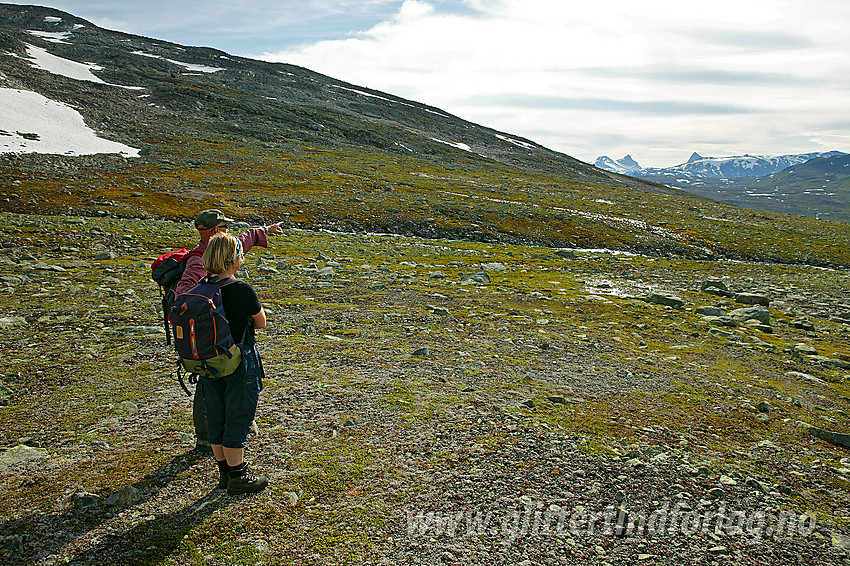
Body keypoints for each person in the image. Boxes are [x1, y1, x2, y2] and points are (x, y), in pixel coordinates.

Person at [175, 209, 283, 451]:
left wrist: (265, 230)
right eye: (224, 226)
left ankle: (213, 441)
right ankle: (211, 440)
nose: (228, 231)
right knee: (218, 389)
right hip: (214, 341)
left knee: (213, 387)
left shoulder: (211, 254)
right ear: (215, 230)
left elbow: (242, 240)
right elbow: (182, 297)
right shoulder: (197, 262)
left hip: (215, 338)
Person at [200, 232, 269, 494]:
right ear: (234, 259)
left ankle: (224, 475)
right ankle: (239, 476)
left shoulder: (202, 288)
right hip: (239, 360)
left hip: (208, 363)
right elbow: (260, 322)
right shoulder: (240, 289)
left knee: (217, 416)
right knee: (238, 415)